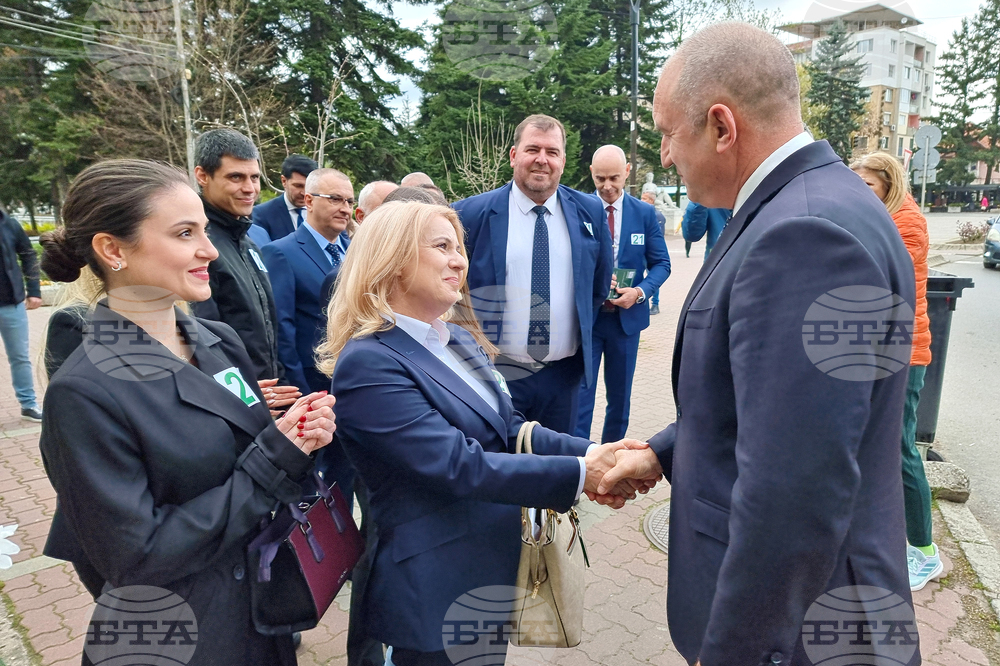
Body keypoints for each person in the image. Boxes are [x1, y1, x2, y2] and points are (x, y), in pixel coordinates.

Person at [598, 22, 919, 665]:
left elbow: (793, 492)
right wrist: (664, 452)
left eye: (668, 132)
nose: (665, 156)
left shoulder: (803, 235)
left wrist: (736, 653)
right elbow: (783, 411)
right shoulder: (814, 203)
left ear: (722, 126)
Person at [37, 159, 336, 666]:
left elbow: (245, 451)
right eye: (184, 233)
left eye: (203, 230)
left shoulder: (217, 340)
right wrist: (275, 458)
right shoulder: (83, 392)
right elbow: (137, 555)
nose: (210, 250)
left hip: (260, 619)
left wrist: (297, 432)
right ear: (113, 250)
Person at [317, 200, 641, 666]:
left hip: (485, 567)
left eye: (459, 248)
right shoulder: (369, 362)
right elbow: (457, 465)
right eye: (442, 247)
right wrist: (579, 474)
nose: (459, 261)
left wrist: (595, 453)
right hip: (433, 589)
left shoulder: (458, 339)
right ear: (393, 259)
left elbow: (509, 428)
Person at [453, 114, 614, 434]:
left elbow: (597, 288)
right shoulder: (470, 214)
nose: (542, 159)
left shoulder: (590, 211)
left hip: (563, 377)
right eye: (532, 149)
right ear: (514, 155)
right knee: (497, 459)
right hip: (496, 373)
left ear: (563, 161)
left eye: (552, 152)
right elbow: (456, 290)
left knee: (558, 460)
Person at [852, 151, 940, 592]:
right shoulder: (883, 216)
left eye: (867, 185)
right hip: (883, 349)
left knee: (903, 449)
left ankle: (925, 550)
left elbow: (882, 279)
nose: (860, 192)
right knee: (877, 446)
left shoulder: (907, 222)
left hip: (906, 352)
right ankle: (880, 534)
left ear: (889, 182)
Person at [190, 129, 299, 414]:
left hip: (267, 398)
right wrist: (244, 398)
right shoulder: (200, 247)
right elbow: (204, 340)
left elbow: (266, 329)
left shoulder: (249, 242)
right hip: (235, 406)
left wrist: (281, 389)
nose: (250, 188)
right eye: (236, 177)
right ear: (202, 176)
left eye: (254, 177)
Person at [575, 146, 670, 443]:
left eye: (614, 178)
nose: (607, 186)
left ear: (627, 172)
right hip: (588, 322)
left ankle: (612, 457)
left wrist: (640, 292)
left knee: (619, 400)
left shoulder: (644, 213)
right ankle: (579, 460)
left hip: (625, 323)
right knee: (580, 399)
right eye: (600, 178)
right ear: (591, 172)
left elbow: (662, 264)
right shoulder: (578, 209)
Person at [262, 168, 353, 394]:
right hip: (314, 381)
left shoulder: (356, 250)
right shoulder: (281, 253)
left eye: (350, 202)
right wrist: (298, 389)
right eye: (335, 199)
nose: (345, 209)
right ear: (309, 201)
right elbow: (281, 329)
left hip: (358, 372)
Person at [0, 204, 43, 421]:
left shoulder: (9, 224)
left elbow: (28, 255)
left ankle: (28, 404)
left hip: (11, 304)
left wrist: (34, 290)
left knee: (20, 357)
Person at [252, 154, 318, 241]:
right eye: (298, 186)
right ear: (284, 181)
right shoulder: (262, 214)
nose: (304, 193)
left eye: (308, 187)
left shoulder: (322, 212)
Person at [640, 191, 667, 315]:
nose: (642, 200)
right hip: (640, 251)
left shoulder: (657, 215)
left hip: (650, 253)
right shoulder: (640, 213)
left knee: (652, 277)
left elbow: (658, 237)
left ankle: (655, 304)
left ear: (651, 200)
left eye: (644, 198)